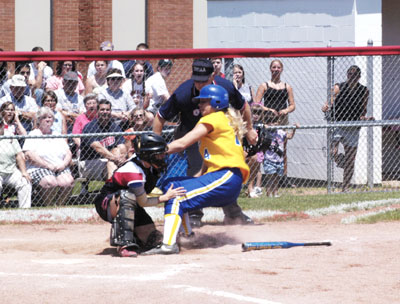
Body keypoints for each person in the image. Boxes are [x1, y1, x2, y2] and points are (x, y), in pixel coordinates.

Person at [143, 85, 249, 255]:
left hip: (226, 177)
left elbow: (182, 143)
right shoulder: (222, 121)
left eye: (204, 102)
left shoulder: (213, 118)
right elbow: (208, 163)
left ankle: (168, 245)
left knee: (177, 197)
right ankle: (187, 235)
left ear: (216, 102)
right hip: (226, 178)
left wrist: (156, 151)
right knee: (173, 184)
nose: (199, 105)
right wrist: (195, 180)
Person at [153, 58, 257, 226]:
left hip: (211, 132)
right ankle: (194, 213)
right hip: (190, 130)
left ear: (212, 76)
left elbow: (244, 106)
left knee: (218, 171)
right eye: (196, 80)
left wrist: (250, 128)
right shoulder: (184, 91)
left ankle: (231, 213)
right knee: (199, 168)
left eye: (203, 81)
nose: (199, 85)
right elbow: (161, 117)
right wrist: (157, 142)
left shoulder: (225, 88)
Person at [93, 133, 185, 257]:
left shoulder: (148, 164)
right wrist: (165, 197)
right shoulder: (134, 172)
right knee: (127, 196)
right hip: (107, 203)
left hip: (131, 204)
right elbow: (143, 202)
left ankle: (135, 237)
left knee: (154, 240)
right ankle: (124, 244)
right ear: (147, 155)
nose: (163, 157)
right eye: (159, 154)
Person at [321, 65, 372, 192]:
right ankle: (340, 161)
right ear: (347, 75)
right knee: (333, 152)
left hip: (353, 126)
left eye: (355, 74)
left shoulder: (364, 90)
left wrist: (365, 118)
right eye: (350, 74)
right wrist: (326, 107)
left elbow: (363, 110)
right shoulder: (339, 87)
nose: (352, 76)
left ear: (359, 77)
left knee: (351, 158)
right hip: (338, 124)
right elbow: (329, 102)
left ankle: (345, 187)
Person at [255, 59, 296, 188]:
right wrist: (268, 110)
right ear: (270, 69)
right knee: (266, 148)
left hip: (282, 120)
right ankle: (265, 179)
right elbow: (256, 104)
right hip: (267, 120)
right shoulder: (264, 85)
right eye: (274, 67)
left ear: (282, 69)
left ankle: (283, 178)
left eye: (278, 67)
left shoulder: (286, 86)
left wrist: (285, 110)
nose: (276, 69)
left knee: (282, 149)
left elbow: (292, 105)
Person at [23, 107, 74, 206]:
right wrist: (47, 165)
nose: (48, 119)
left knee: (68, 182)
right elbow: (29, 154)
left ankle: (59, 206)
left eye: (50, 117)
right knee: (50, 182)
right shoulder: (34, 134)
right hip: (39, 167)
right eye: (44, 117)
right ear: (38, 120)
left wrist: (63, 165)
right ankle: (48, 206)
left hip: (59, 166)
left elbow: (68, 153)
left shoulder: (57, 134)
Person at [79, 99, 126, 181]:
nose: (105, 112)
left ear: (110, 111)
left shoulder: (114, 126)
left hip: (110, 160)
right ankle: (112, 190)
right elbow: (98, 147)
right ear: (97, 111)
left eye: (107, 110)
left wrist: (122, 158)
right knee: (112, 161)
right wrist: (115, 159)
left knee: (116, 151)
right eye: (102, 109)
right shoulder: (90, 127)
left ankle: (112, 188)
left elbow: (122, 146)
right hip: (89, 162)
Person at [260, 113, 298, 197]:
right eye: (270, 122)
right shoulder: (266, 133)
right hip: (269, 160)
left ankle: (275, 193)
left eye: (274, 121)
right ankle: (269, 194)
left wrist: (294, 129)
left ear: (278, 122)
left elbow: (290, 136)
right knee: (270, 178)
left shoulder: (281, 132)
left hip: (279, 160)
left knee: (276, 178)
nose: (273, 124)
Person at [0, 116, 32, 208]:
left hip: (12, 171)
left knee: (25, 182)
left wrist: (24, 172)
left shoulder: (10, 136)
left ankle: (25, 211)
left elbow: (18, 155)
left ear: (3, 125)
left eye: (0, 124)